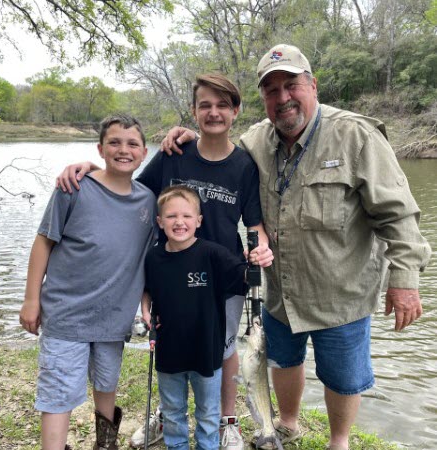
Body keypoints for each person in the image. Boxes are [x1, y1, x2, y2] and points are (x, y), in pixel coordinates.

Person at [160, 44, 432, 450]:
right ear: (263, 99)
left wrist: (404, 280)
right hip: (281, 292)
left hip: (341, 292)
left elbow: (398, 213)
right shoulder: (255, 140)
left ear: (313, 85)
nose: (283, 97)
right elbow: (219, 151)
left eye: (292, 85)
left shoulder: (357, 136)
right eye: (271, 90)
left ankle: (338, 442)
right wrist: (189, 137)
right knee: (283, 360)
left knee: (342, 376)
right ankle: (287, 424)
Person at [56, 73, 273, 450]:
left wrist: (262, 248)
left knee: (223, 349)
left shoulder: (244, 165)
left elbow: (254, 224)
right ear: (193, 110)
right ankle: (165, 414)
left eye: (222, 105)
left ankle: (227, 421)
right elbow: (127, 185)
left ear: (236, 111)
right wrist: (92, 169)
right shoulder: (175, 153)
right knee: (170, 341)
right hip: (169, 273)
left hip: (221, 277)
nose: (214, 113)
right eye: (205, 105)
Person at [19, 114, 157, 450]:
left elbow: (146, 260)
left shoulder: (148, 201)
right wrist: (31, 299)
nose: (123, 150)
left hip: (114, 318)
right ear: (100, 149)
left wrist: (146, 303)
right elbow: (43, 242)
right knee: (58, 390)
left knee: (107, 382)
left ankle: (105, 444)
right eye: (114, 142)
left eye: (132, 144)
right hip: (66, 314)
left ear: (144, 153)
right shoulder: (73, 188)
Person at [141, 185, 272, 450]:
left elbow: (243, 278)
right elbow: (148, 290)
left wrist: (254, 261)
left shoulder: (213, 254)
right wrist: (145, 308)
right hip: (168, 352)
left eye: (187, 216)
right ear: (160, 221)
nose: (179, 222)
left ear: (199, 221)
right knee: (173, 412)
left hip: (207, 352)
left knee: (208, 414)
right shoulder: (154, 256)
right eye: (171, 216)